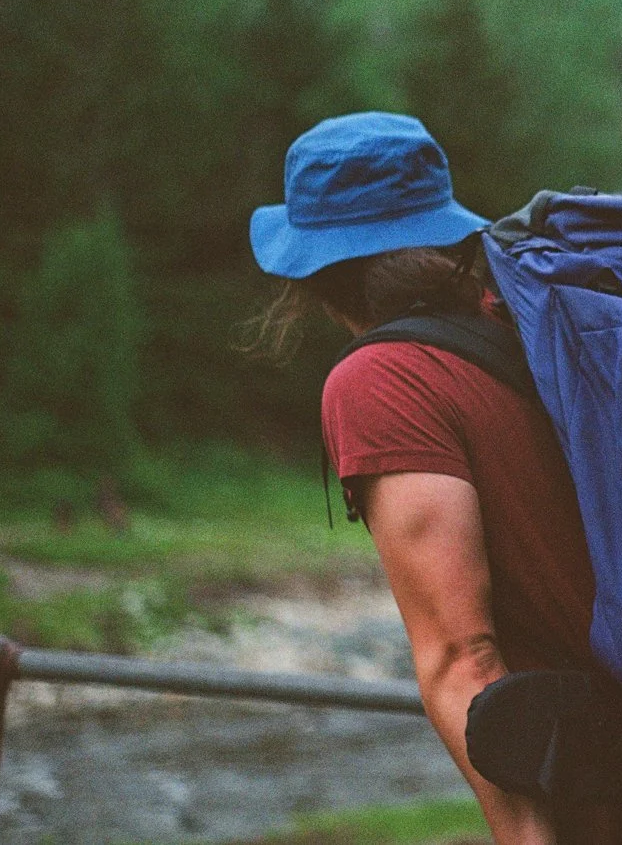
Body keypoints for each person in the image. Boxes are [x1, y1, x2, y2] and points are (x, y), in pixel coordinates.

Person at [246, 111, 595, 845]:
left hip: (611, 790)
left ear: (314, 268)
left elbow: (458, 655)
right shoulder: (533, 320)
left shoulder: (381, 381)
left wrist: (526, 837)